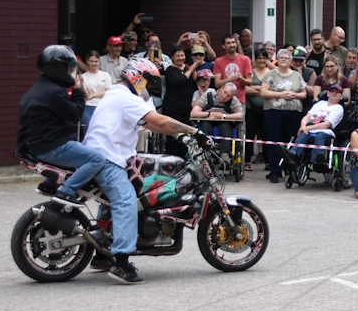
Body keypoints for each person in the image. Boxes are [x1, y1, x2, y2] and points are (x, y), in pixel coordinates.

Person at [83, 58, 208, 284]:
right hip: (107, 159)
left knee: (113, 200)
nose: (149, 88)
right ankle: (121, 262)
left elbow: (149, 123)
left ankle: (102, 254)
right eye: (148, 83)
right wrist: (193, 131)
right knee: (125, 201)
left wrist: (178, 133)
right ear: (137, 77)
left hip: (109, 156)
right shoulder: (125, 97)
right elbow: (157, 119)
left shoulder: (117, 93)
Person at [16, 45, 106, 206]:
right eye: (68, 70)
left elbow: (23, 126)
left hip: (38, 148)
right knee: (97, 159)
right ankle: (66, 192)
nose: (70, 74)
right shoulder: (54, 92)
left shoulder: (30, 93)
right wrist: (78, 90)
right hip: (54, 146)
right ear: (56, 70)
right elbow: (76, 114)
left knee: (76, 156)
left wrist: (22, 152)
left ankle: (49, 184)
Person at [260, 48, 308, 183]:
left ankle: (289, 169)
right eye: (280, 57)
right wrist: (280, 94)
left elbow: (304, 94)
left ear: (290, 61)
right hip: (273, 111)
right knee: (274, 140)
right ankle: (274, 171)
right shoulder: (270, 74)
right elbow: (263, 92)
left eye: (286, 58)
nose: (282, 59)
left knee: (289, 141)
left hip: (293, 112)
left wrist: (295, 95)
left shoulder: (297, 75)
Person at [290, 83, 346, 167]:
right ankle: (292, 156)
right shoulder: (320, 103)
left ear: (341, 97)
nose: (334, 93)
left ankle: (317, 160)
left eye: (337, 92)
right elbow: (307, 117)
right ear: (328, 94)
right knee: (302, 135)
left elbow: (326, 124)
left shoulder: (339, 107)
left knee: (320, 136)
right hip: (310, 128)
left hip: (326, 131)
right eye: (332, 91)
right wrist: (302, 126)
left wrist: (307, 127)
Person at [159, 47, 198, 155]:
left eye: (182, 55)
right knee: (173, 137)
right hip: (172, 109)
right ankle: (171, 162)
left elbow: (195, 83)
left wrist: (193, 70)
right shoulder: (170, 70)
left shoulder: (187, 69)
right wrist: (191, 69)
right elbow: (179, 81)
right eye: (178, 56)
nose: (181, 58)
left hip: (186, 109)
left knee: (185, 138)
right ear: (172, 57)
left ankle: (183, 161)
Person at [190, 82, 244, 147]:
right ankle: (205, 150)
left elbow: (240, 115)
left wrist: (223, 116)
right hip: (208, 121)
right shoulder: (207, 96)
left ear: (232, 97)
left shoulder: (234, 100)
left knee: (225, 126)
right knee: (205, 125)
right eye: (224, 92)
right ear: (221, 87)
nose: (224, 96)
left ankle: (225, 154)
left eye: (228, 96)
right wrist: (210, 113)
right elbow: (193, 113)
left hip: (225, 123)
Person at [243, 46, 271, 169]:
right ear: (255, 59)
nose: (261, 60)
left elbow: (273, 90)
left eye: (264, 58)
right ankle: (247, 162)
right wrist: (263, 89)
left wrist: (256, 88)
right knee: (250, 134)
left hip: (266, 108)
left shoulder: (271, 73)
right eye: (259, 58)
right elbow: (246, 89)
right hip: (251, 108)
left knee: (266, 135)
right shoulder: (250, 73)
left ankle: (268, 162)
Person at [212, 33, 252, 104]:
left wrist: (240, 79)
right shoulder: (218, 61)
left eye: (233, 42)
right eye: (228, 43)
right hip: (223, 100)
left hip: (239, 101)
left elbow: (249, 82)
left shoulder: (245, 59)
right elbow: (217, 84)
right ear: (223, 46)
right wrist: (230, 78)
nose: (232, 45)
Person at [79, 50, 112, 129]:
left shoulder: (105, 75)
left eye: (96, 61)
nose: (93, 64)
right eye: (91, 61)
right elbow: (87, 96)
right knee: (88, 129)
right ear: (87, 61)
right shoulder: (83, 76)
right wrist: (82, 83)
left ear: (99, 61)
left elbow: (109, 92)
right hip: (87, 107)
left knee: (102, 129)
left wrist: (93, 95)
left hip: (102, 106)